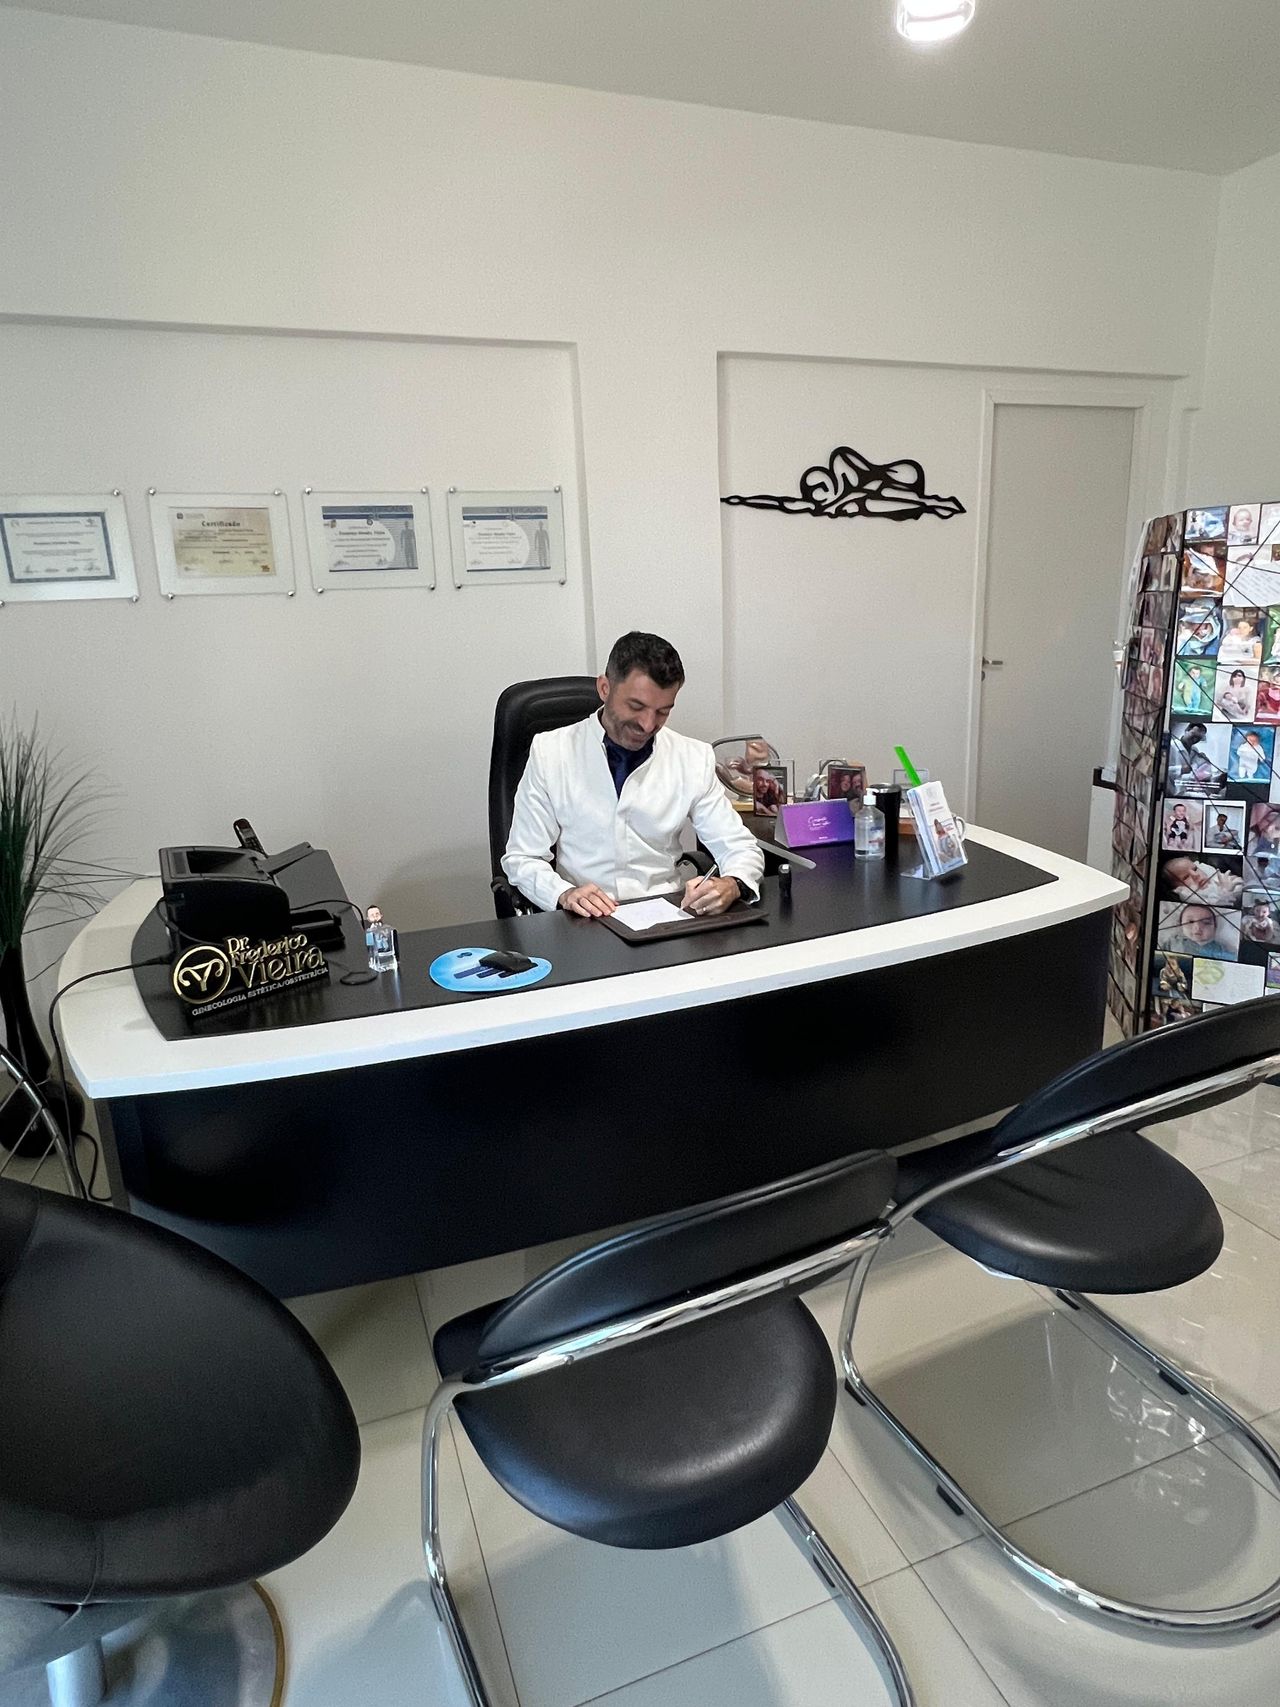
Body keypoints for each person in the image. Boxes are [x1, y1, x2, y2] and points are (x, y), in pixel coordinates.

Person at [502, 631, 765, 917]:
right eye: (636, 706)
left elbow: (739, 846)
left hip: (668, 915)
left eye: (663, 711)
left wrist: (733, 883)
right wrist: (563, 893)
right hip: (583, 918)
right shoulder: (551, 752)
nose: (648, 724)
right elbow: (523, 858)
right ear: (604, 688)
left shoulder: (693, 758)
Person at [1160, 901, 1235, 959]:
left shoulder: (1219, 948)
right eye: (1190, 922)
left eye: (1206, 923)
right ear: (1180, 925)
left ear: (1215, 928)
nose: (1198, 927)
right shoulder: (1173, 942)